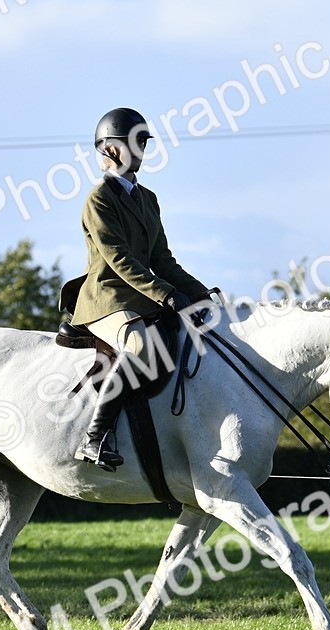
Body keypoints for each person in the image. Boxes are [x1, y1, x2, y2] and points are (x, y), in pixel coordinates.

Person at [59, 107, 210, 471]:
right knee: (141, 346)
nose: (142, 148)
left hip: (142, 298)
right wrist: (167, 294)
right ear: (110, 149)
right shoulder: (99, 199)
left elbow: (163, 260)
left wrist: (201, 294)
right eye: (135, 141)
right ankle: (94, 438)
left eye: (144, 141)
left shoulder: (149, 199)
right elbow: (119, 259)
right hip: (106, 298)